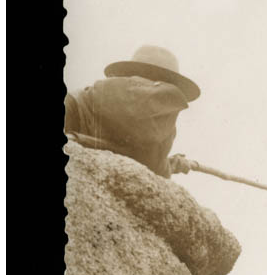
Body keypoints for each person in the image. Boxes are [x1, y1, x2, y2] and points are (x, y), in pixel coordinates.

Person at [64, 45, 202, 179]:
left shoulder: (77, 101)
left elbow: (156, 169)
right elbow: (156, 169)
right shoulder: (163, 127)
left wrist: (171, 164)